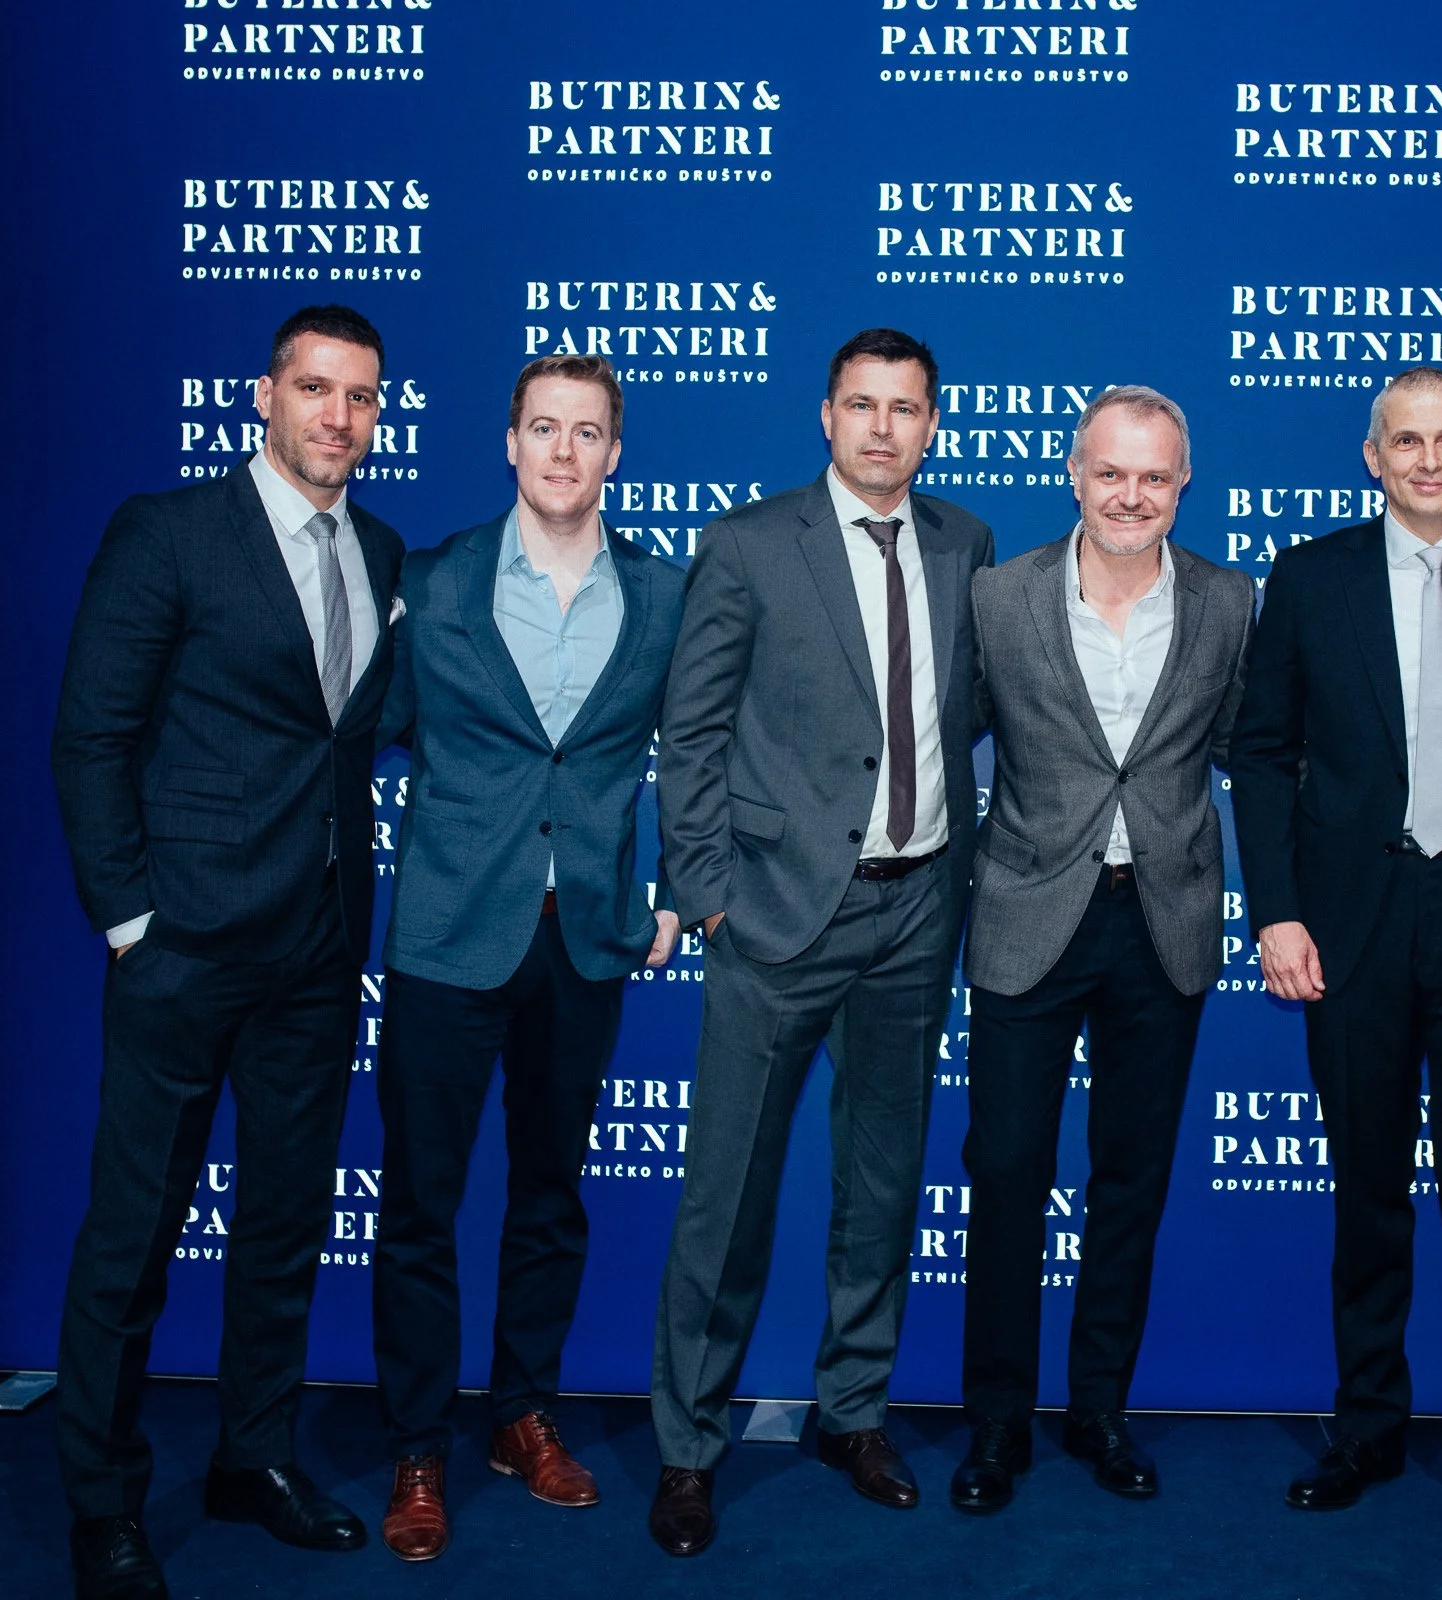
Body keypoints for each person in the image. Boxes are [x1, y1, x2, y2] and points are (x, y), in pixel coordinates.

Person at [50, 305, 405, 1599]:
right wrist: (134, 922)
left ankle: (251, 1459)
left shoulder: (379, 545)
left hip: (316, 951)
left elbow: (343, 739)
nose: (337, 417)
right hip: (184, 949)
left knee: (281, 1227)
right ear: (266, 396)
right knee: (132, 1236)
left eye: (360, 397)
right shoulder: (171, 532)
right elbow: (89, 737)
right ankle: (100, 1500)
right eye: (315, 389)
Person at [646, 328, 993, 1556]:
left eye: (906, 408)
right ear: (825, 414)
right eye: (862, 404)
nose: (883, 427)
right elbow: (687, 735)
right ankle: (689, 1446)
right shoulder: (745, 544)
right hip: (779, 916)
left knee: (880, 1185)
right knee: (726, 1193)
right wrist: (707, 889)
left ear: (933, 423)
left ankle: (852, 1412)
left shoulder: (964, 544)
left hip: (915, 914)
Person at [1231, 366, 1442, 1539]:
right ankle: (1366, 1422)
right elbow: (1259, 752)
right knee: (1366, 1181)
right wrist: (1273, 909)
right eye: (1403, 441)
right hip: (1354, 911)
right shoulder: (1311, 576)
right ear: (1370, 457)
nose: (1426, 460)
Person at [368, 355, 687, 1561]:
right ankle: (414, 1445)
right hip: (450, 935)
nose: (563, 451)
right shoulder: (432, 581)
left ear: (616, 452)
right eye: (543, 428)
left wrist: (678, 895)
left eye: (587, 431)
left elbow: (702, 752)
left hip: (587, 940)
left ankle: (522, 1412)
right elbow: (360, 734)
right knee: (419, 1204)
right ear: (508, 442)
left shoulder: (662, 594)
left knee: (549, 1194)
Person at [950, 387, 1254, 1512]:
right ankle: (994, 1427)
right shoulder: (997, 595)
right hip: (1028, 914)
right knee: (1007, 1179)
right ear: (1073, 474)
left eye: (1155, 476)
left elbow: (1245, 751)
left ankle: (1097, 1410)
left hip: (1162, 923)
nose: (1131, 495)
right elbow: (941, 740)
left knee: (1128, 1184)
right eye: (1110, 473)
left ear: (1183, 484)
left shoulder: (1229, 602)